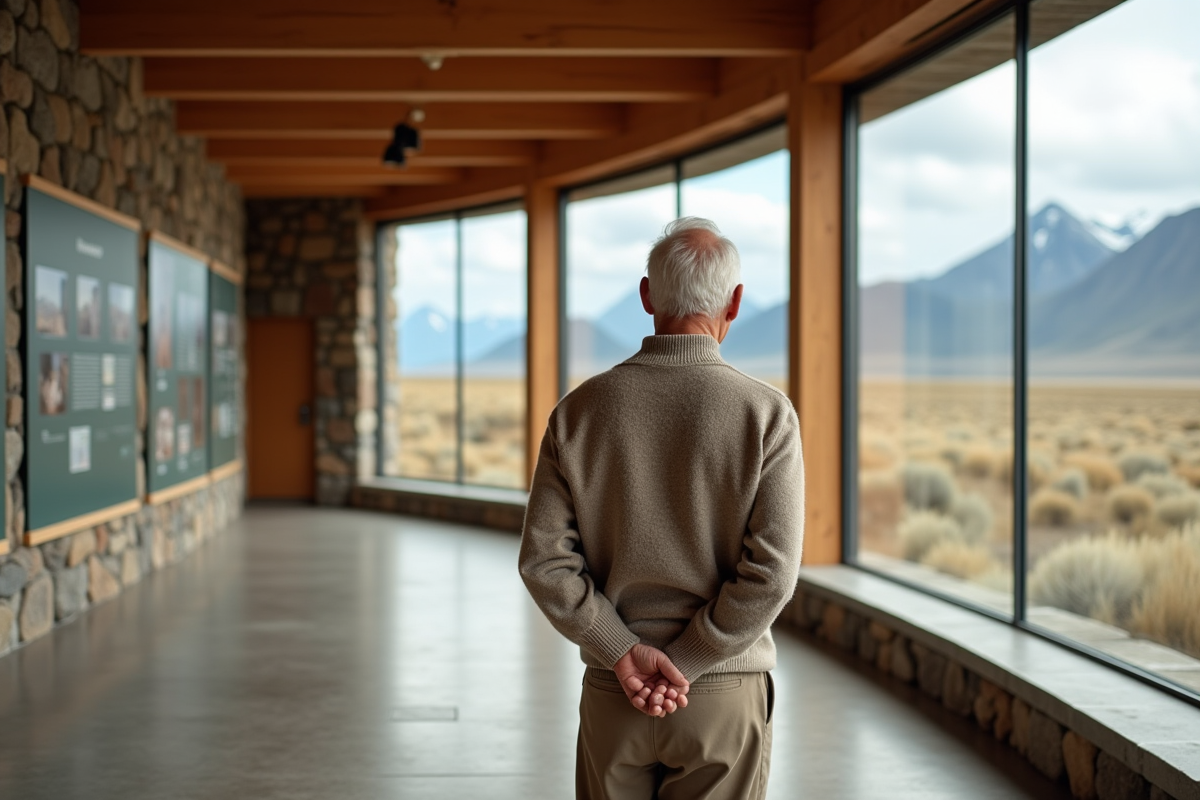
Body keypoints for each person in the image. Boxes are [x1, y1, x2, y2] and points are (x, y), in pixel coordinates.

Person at [519, 217, 805, 799]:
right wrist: (691, 658)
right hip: (721, 697)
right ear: (736, 302)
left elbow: (544, 561)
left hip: (614, 691)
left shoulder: (577, 413)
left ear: (647, 295)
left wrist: (622, 652)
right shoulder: (767, 415)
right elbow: (772, 574)